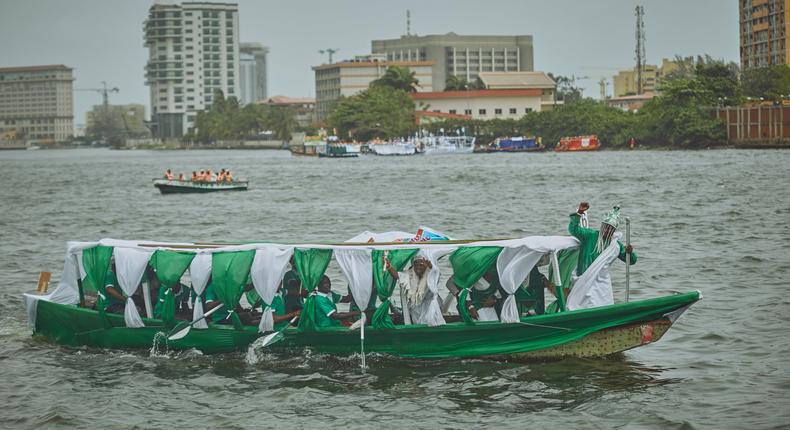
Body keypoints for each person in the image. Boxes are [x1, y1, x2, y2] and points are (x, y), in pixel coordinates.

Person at [569, 202, 637, 277]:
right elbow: (574, 229)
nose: (607, 230)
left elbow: (631, 261)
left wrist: (629, 253)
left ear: (614, 231)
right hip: (584, 276)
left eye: (611, 229)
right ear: (602, 226)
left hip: (601, 279)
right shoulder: (590, 235)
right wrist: (579, 212)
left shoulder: (615, 245)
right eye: (606, 227)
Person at [386, 256, 445, 326]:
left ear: (426, 266)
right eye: (416, 265)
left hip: (430, 312)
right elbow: (397, 275)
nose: (418, 267)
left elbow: (436, 275)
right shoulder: (409, 274)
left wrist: (431, 268)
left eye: (421, 265)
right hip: (416, 313)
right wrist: (389, 266)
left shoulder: (430, 275)